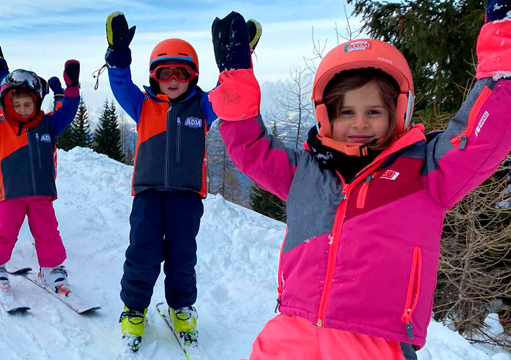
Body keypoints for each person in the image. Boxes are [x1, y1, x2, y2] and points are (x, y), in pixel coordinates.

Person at [209, 7, 511, 360]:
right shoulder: (305, 171)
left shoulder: (428, 171)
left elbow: (482, 137)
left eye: (374, 112)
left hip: (373, 341)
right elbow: (250, 147)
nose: (360, 123)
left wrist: (503, 47)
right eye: (347, 112)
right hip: (293, 328)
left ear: (398, 112)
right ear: (326, 116)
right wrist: (236, 79)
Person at [104, 11, 257, 351]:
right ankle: (134, 310)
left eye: (181, 72)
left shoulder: (202, 107)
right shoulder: (142, 105)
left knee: (182, 256)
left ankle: (181, 307)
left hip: (186, 197)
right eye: (164, 72)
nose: (172, 79)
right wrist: (117, 59)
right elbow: (121, 86)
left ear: (192, 76)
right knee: (142, 253)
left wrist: (238, 61)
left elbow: (228, 92)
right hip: (147, 195)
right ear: (154, 77)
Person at [0, 45, 80, 294]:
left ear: (37, 102)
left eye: (27, 104)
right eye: (16, 104)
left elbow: (69, 112)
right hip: (10, 195)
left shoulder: (48, 124)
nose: (21, 109)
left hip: (41, 194)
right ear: (7, 103)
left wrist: (72, 89)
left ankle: (51, 269)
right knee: (3, 233)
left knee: (48, 233)